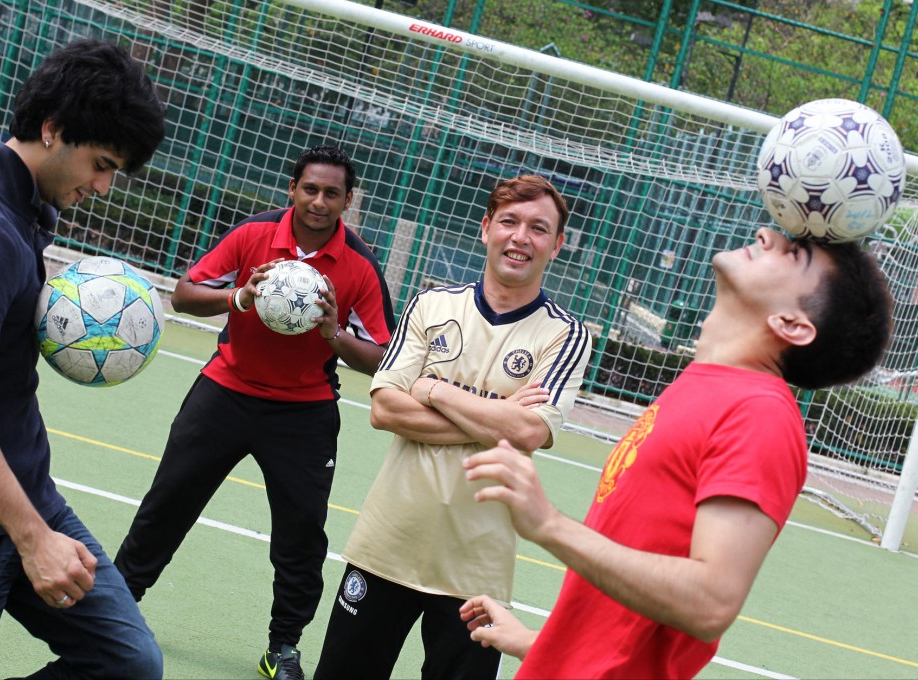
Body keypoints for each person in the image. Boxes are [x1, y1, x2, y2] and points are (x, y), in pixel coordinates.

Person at [458, 227, 894, 678]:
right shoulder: (704, 386)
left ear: (792, 324)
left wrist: (548, 525)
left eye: (794, 253)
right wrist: (541, 643)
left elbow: (710, 602)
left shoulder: (760, 415)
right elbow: (633, 617)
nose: (767, 233)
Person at [0, 39, 166, 677]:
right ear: (52, 130)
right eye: (101, 164)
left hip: (23, 496)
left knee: (127, 662)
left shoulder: (23, 210)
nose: (102, 186)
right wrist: (33, 538)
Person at [113, 143, 396, 680]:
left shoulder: (359, 266)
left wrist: (333, 332)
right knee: (166, 504)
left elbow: (382, 355)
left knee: (301, 537)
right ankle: (116, 610)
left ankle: (282, 648)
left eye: (331, 193)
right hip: (225, 392)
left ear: (347, 201)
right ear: (292, 189)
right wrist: (237, 298)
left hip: (303, 412)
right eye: (309, 189)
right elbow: (184, 294)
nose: (318, 201)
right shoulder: (253, 234)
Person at [314, 174, 593, 680]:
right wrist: (498, 417)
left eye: (538, 228)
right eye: (508, 221)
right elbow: (384, 410)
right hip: (388, 545)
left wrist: (434, 389)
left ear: (557, 245)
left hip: (477, 571)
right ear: (485, 228)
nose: (520, 237)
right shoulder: (433, 305)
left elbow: (529, 434)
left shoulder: (566, 334)